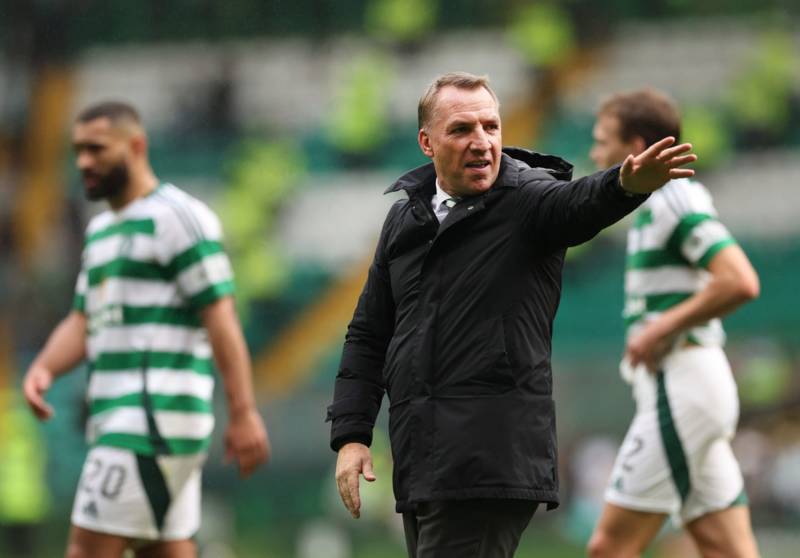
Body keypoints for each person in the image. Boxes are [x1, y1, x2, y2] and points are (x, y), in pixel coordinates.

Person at [327, 72, 697, 558]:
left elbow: (578, 204)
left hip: (488, 461)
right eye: (462, 129)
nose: (482, 141)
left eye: (491, 126)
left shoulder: (528, 198)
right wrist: (352, 436)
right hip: (423, 463)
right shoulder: (405, 218)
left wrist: (624, 185)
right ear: (426, 142)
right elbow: (369, 333)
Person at [22, 101, 271, 558]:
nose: (84, 162)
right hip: (129, 421)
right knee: (164, 549)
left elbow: (220, 315)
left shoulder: (178, 217)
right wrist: (44, 368)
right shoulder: (100, 230)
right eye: (78, 150)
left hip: (149, 420)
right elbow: (83, 318)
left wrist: (243, 411)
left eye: (97, 148)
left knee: (86, 550)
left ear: (136, 146)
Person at [586, 88, 761, 558]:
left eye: (602, 141)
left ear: (635, 148)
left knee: (609, 547)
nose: (595, 153)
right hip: (690, 391)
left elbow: (740, 280)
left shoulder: (672, 196)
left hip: (683, 384)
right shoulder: (651, 203)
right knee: (725, 548)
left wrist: (661, 328)